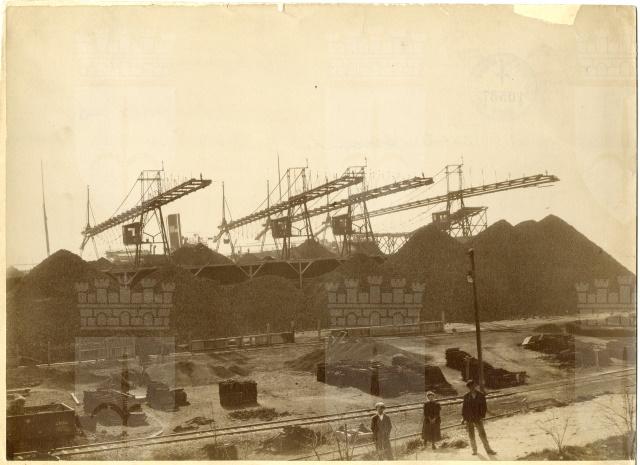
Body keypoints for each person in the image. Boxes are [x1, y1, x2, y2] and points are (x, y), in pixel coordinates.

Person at [461, 380, 497, 456]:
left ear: (475, 386)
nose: (472, 388)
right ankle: (474, 450)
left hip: (478, 417)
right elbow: (464, 408)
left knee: (482, 434)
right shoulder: (466, 396)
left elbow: (484, 407)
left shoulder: (481, 395)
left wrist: (482, 416)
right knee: (471, 435)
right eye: (470, 387)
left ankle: (488, 450)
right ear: (468, 387)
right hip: (469, 418)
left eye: (473, 386)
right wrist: (463, 418)